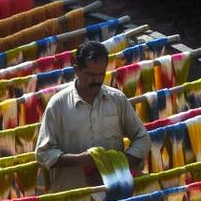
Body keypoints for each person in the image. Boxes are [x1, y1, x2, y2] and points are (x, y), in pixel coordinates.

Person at [35, 40, 151, 192]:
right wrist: (81, 160)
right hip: (73, 198)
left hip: (114, 193)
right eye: (90, 74)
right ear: (77, 69)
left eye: (101, 74)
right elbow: (43, 153)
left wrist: (116, 167)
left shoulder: (117, 99)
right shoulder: (58, 105)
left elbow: (142, 138)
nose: (96, 80)